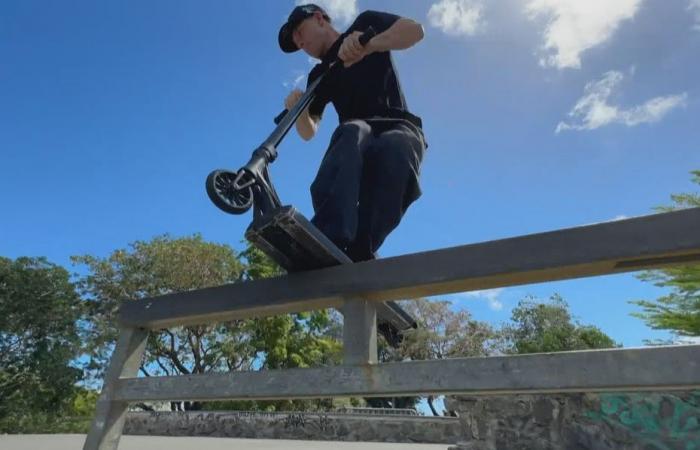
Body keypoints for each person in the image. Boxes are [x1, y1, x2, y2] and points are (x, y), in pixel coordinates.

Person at [278, 4, 426, 262]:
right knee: (352, 131)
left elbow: (414, 32)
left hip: (398, 124)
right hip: (357, 135)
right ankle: (327, 234)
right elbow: (308, 132)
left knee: (398, 148)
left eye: (301, 33)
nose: (301, 43)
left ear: (320, 18)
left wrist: (369, 44)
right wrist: (299, 110)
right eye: (296, 42)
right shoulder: (319, 75)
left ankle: (362, 248)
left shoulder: (364, 24)